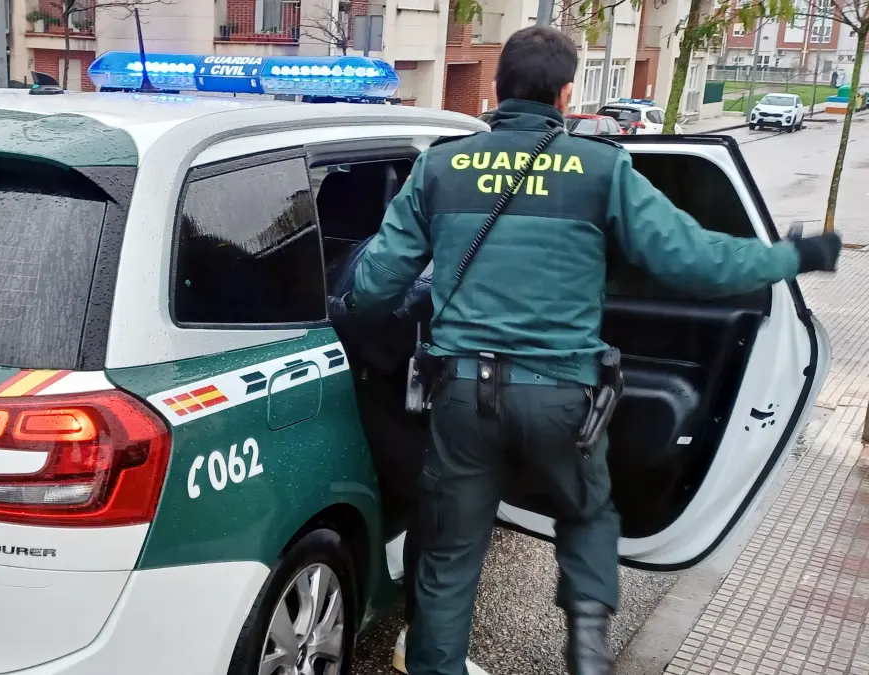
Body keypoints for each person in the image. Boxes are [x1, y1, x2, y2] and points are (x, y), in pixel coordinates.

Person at [328, 25, 842, 675]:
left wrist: (354, 316)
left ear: (497, 88)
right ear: (567, 94)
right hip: (564, 398)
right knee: (587, 516)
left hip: (459, 397)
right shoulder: (602, 168)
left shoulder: (440, 166)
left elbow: (378, 285)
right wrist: (796, 254)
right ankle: (589, 652)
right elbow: (695, 259)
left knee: (450, 556)